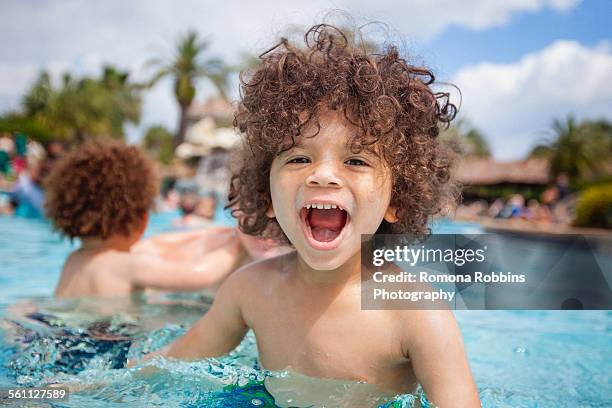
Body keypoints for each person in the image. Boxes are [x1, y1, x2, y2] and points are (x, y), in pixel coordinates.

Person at [146, 25, 480, 406]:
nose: (322, 174)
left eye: (355, 160)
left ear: (396, 200)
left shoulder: (416, 314)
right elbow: (166, 366)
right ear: (266, 196)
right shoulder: (250, 290)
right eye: (299, 158)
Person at [44, 139, 245, 299]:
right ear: (141, 220)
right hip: (107, 345)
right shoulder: (126, 265)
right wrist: (237, 244)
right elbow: (201, 274)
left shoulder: (74, 260)